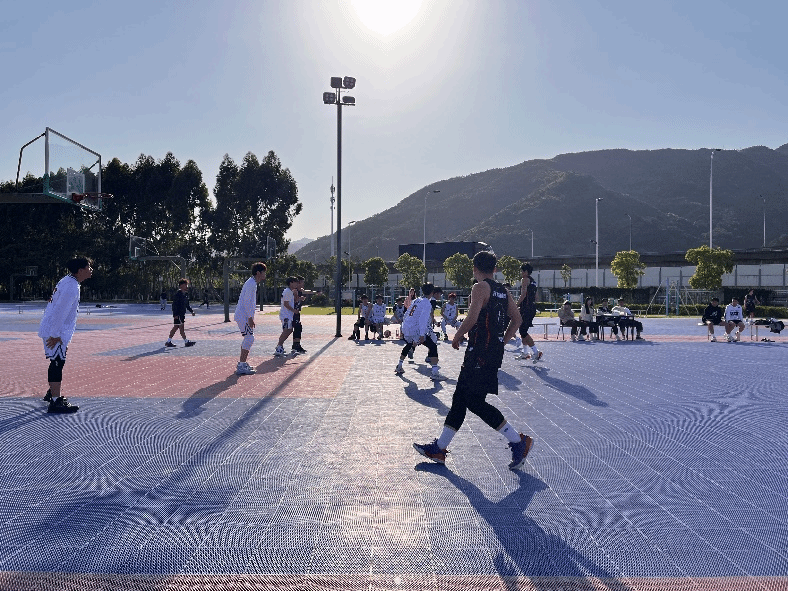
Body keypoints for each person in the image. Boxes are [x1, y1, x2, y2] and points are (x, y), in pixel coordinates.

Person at [413, 251, 533, 469]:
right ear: (494, 269)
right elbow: (517, 320)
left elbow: (472, 317)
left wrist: (457, 336)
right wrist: (502, 342)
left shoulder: (480, 288)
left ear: (475, 269)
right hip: (492, 352)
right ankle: (440, 448)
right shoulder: (504, 291)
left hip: (479, 352)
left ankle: (518, 441)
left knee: (473, 402)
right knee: (462, 398)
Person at [38, 257, 93, 413]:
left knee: (58, 361)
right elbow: (59, 312)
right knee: (57, 362)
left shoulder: (68, 281)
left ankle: (52, 392)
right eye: (88, 267)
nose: (91, 270)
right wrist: (56, 335)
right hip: (55, 331)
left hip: (56, 330)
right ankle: (55, 401)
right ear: (80, 270)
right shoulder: (71, 286)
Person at [394, 283, 445, 381]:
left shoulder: (417, 300)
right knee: (433, 346)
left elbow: (407, 314)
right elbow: (423, 319)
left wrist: (404, 327)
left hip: (407, 327)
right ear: (432, 292)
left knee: (410, 344)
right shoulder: (427, 303)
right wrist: (422, 334)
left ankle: (399, 366)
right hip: (415, 329)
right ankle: (435, 373)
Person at [234, 262, 266, 375]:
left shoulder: (252, 283)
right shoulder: (251, 284)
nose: (265, 274)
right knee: (249, 338)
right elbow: (247, 302)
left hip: (243, 315)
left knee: (248, 338)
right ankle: (241, 365)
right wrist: (250, 318)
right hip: (243, 316)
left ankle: (242, 363)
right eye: (264, 272)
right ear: (258, 273)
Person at [515, 262, 543, 362]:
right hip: (532, 308)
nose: (521, 273)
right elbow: (536, 297)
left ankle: (536, 351)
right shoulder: (533, 282)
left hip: (526, 308)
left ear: (526, 272)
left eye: (522, 271)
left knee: (523, 331)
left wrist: (516, 305)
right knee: (523, 330)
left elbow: (523, 295)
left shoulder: (525, 280)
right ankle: (525, 352)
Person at [165, 279, 196, 348]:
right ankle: (186, 342)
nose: (187, 286)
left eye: (187, 285)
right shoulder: (178, 294)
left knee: (177, 327)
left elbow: (187, 305)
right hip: (178, 314)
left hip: (182, 314)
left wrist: (191, 311)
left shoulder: (185, 294)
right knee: (180, 328)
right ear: (181, 286)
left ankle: (169, 341)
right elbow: (174, 305)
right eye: (185, 285)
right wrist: (175, 315)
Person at [275, 277, 298, 356]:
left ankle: (280, 346)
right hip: (286, 315)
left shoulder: (290, 291)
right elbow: (286, 304)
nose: (296, 284)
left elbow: (292, 302)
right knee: (286, 331)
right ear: (291, 283)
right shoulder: (287, 291)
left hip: (288, 315)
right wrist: (294, 310)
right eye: (295, 282)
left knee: (289, 330)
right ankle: (279, 347)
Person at [291, 276, 309, 354]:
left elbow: (307, 292)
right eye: (302, 282)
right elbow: (293, 300)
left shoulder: (300, 290)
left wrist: (316, 292)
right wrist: (299, 299)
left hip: (297, 312)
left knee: (298, 328)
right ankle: (295, 346)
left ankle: (296, 345)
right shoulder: (294, 291)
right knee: (295, 328)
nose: (303, 284)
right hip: (293, 313)